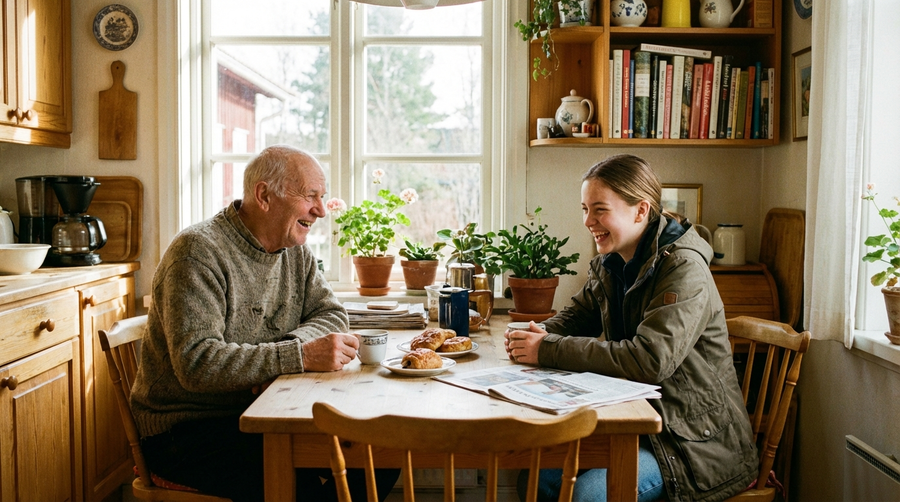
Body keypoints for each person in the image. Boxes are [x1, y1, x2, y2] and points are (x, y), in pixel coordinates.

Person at [130, 145, 398, 502]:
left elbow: (331, 315)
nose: (320, 210)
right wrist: (296, 356)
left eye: (322, 198)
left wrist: (287, 353)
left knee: (382, 453)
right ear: (264, 195)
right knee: (295, 488)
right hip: (187, 430)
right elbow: (196, 363)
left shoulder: (295, 250)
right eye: (311, 196)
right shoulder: (197, 252)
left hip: (265, 410)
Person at [505, 154, 758, 502]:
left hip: (691, 442)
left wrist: (546, 348)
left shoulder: (684, 268)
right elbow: (578, 316)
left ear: (641, 211)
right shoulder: (613, 263)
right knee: (536, 478)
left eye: (599, 209)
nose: (588, 221)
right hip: (640, 424)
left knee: (589, 497)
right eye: (584, 209)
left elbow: (649, 360)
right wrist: (535, 332)